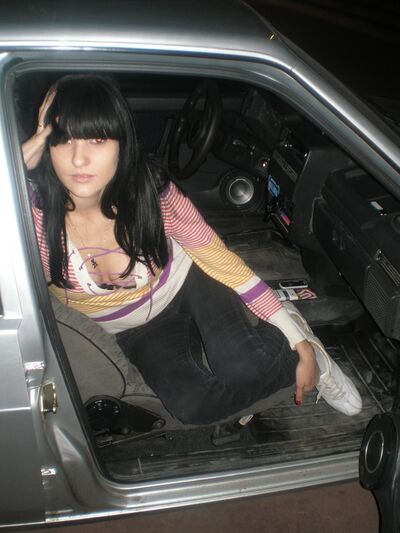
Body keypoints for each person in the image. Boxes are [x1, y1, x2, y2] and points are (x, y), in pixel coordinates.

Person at [22, 74, 362, 425]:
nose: (79, 159)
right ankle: (271, 370)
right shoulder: (28, 215)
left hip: (189, 281)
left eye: (97, 139)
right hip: (136, 328)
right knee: (192, 409)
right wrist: (18, 160)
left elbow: (221, 261)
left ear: (122, 143)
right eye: (62, 140)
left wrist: (297, 342)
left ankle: (311, 353)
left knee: (244, 369)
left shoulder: (152, 195)